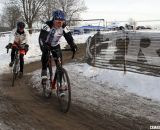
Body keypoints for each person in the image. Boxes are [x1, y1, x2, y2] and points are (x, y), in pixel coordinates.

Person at [39, 10, 77, 84]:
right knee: (46, 53)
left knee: (59, 65)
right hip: (45, 43)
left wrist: (72, 45)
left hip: (55, 45)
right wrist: (44, 45)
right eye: (57, 21)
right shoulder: (48, 25)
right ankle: (44, 71)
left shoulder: (64, 27)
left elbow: (68, 37)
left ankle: (60, 84)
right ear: (53, 20)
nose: (59, 23)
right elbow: (42, 37)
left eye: (61, 21)